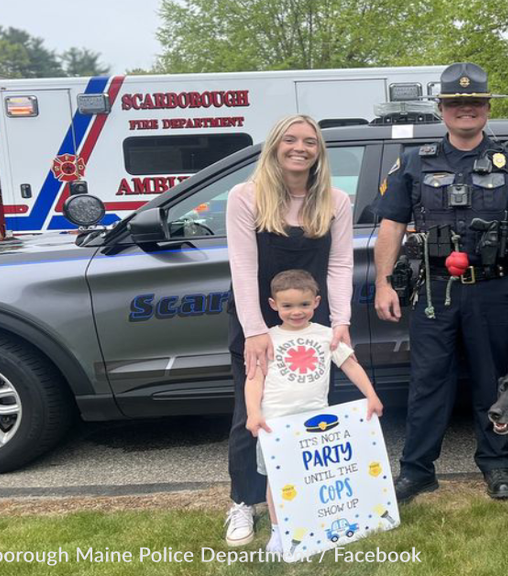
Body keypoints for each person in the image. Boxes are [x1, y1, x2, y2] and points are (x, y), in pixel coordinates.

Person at [373, 62, 508, 503]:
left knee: (492, 382)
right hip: (435, 291)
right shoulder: (414, 163)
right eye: (455, 103)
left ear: (487, 108)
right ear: (441, 109)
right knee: (428, 382)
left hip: (495, 288)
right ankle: (417, 471)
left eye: (474, 102)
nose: (465, 110)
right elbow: (390, 226)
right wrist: (384, 282)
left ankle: (496, 466)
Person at [224, 114, 354, 546]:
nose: (300, 148)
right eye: (291, 140)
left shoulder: (336, 200)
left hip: (311, 325)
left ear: (319, 152)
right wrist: (255, 331)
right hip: (257, 325)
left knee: (309, 411)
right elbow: (243, 268)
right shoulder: (246, 197)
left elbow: (339, 266)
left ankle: (303, 499)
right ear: (275, 145)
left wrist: (340, 322)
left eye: (310, 142)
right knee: (254, 415)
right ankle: (243, 502)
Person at [245, 269, 383, 555]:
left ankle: (317, 522)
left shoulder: (326, 336)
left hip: (318, 424)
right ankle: (279, 530)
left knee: (315, 476)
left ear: (317, 302)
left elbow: (351, 365)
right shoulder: (267, 339)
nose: (297, 312)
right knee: (278, 480)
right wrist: (252, 413)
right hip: (276, 426)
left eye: (304, 305)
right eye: (288, 306)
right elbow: (254, 379)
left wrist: (371, 395)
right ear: (273, 305)